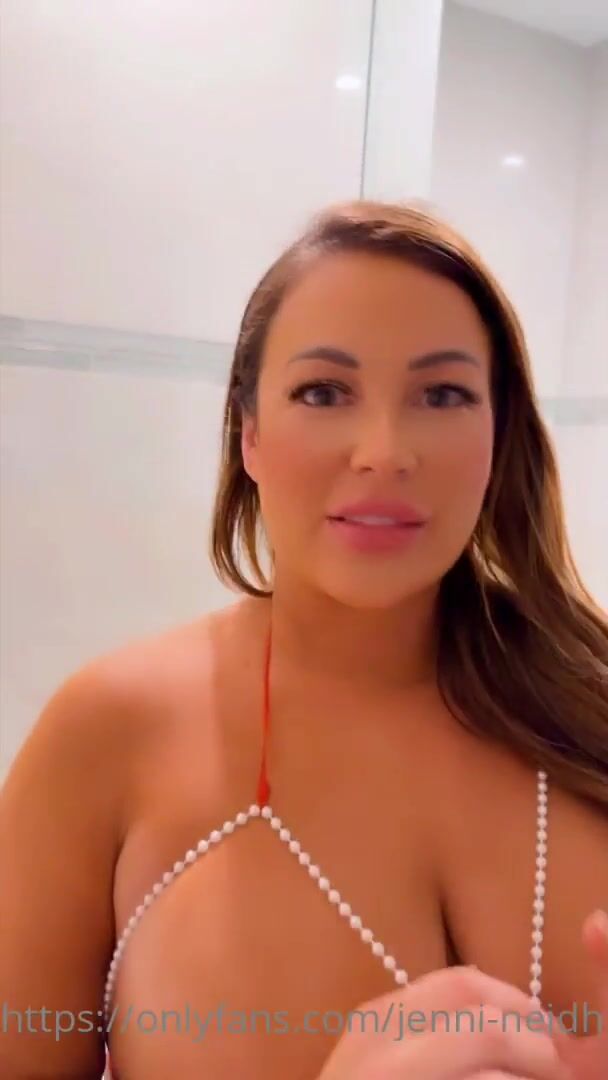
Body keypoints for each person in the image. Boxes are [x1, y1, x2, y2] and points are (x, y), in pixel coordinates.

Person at [1, 200, 606, 1080]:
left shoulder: (590, 714)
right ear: (249, 434)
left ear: (497, 431)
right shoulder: (111, 735)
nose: (383, 451)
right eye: (323, 392)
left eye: (442, 394)